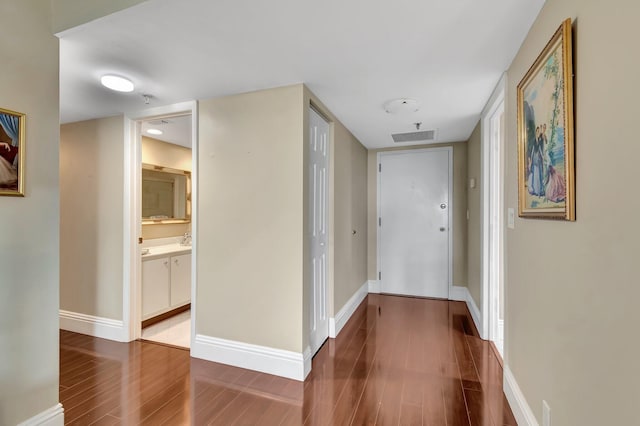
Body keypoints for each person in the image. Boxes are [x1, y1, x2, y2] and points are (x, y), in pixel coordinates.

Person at [527, 125, 545, 196]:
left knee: (539, 173)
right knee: (535, 174)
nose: (538, 133)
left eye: (538, 132)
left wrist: (543, 157)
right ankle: (535, 190)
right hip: (534, 159)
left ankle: (540, 190)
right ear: (535, 132)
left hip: (539, 159)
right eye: (537, 132)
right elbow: (531, 151)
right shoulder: (533, 140)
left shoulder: (540, 140)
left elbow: (540, 149)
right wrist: (530, 162)